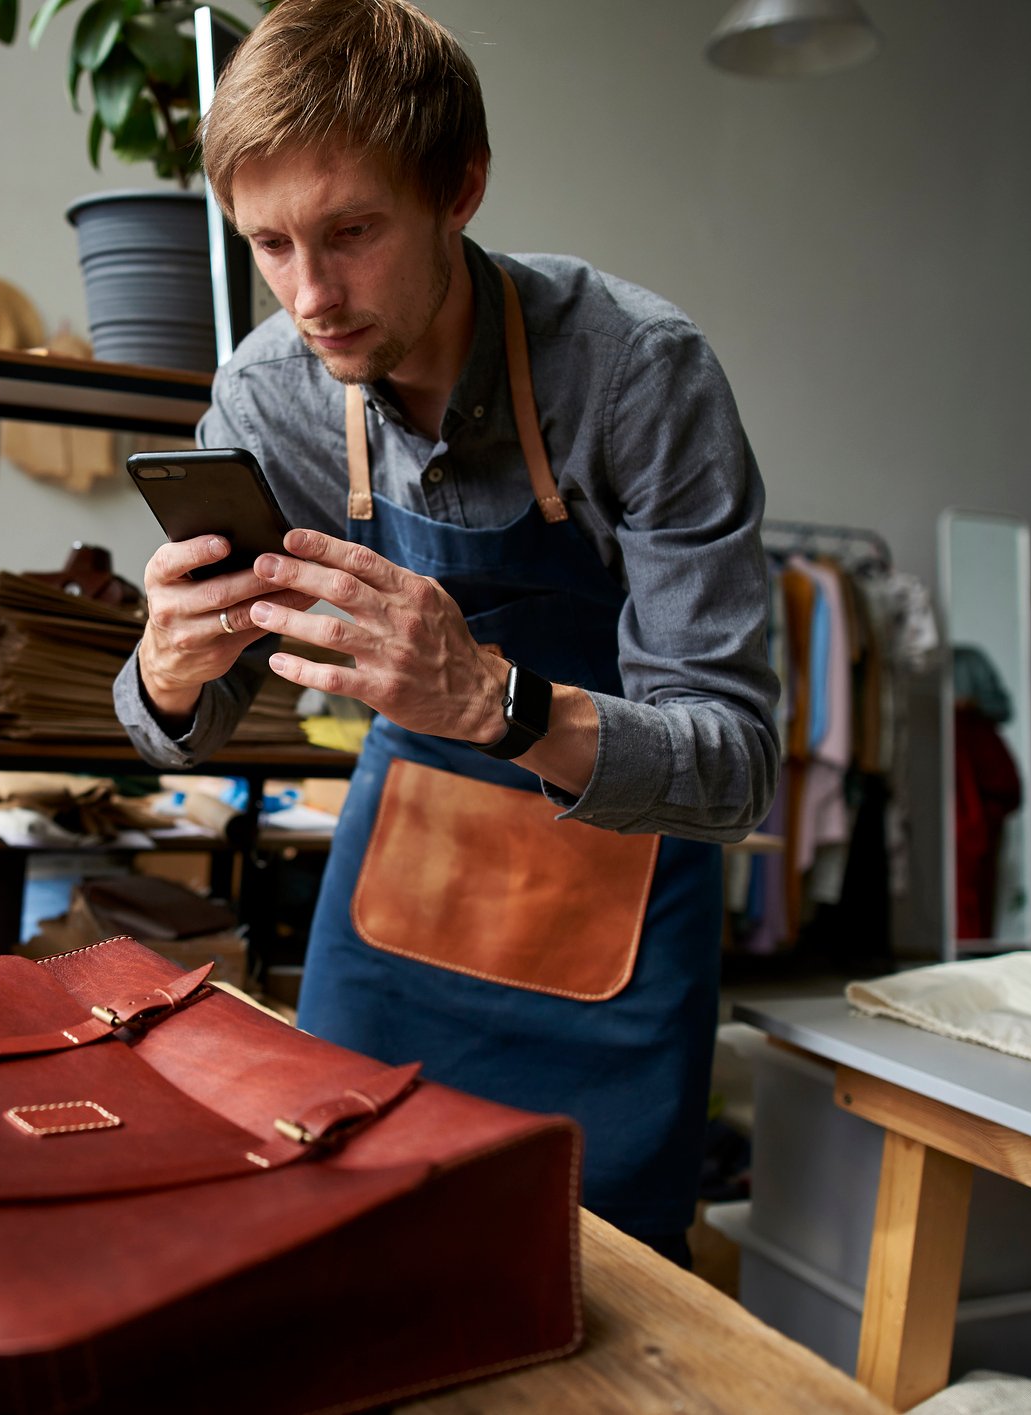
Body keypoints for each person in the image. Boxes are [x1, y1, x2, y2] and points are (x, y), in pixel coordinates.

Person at [110, 0, 780, 1264]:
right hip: (396, 905)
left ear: (459, 189)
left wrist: (494, 699)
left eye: (352, 232)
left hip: (623, 920)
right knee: (337, 1239)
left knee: (602, 1288)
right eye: (271, 245)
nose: (313, 295)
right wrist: (168, 666)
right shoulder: (267, 395)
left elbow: (735, 767)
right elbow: (171, 732)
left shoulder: (638, 376)